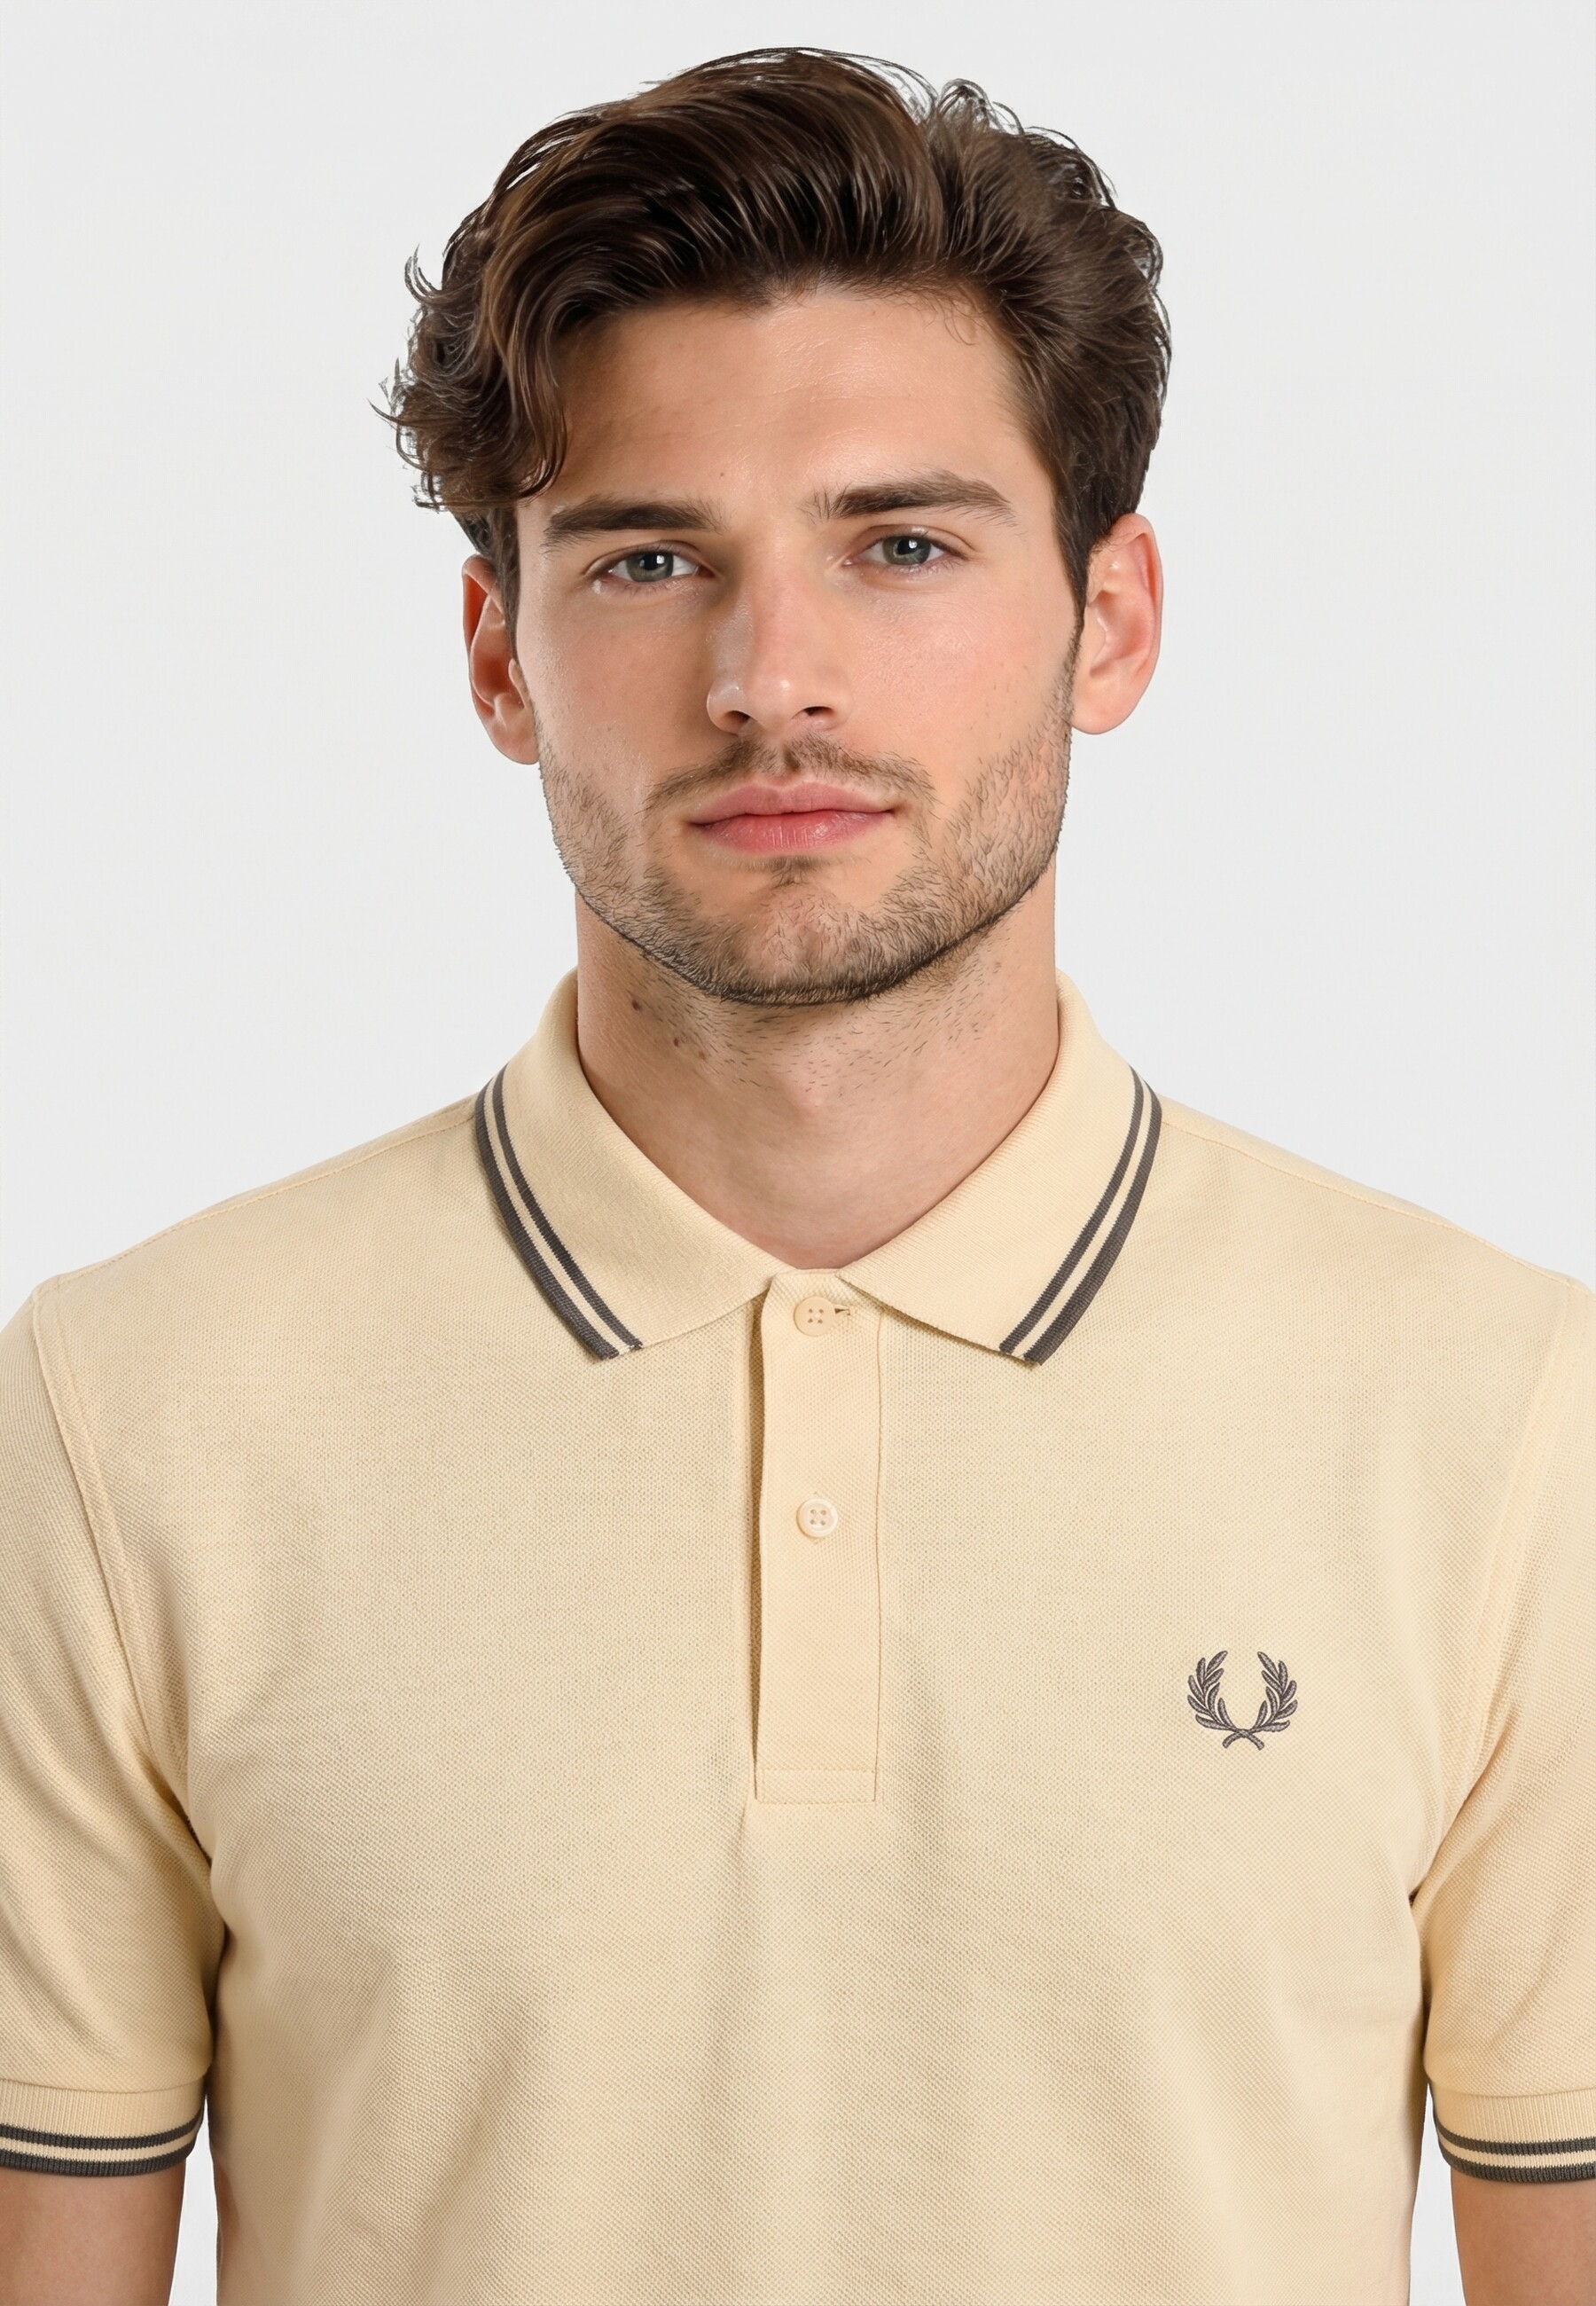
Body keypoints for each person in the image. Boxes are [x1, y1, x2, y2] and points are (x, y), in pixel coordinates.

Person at [1, 45, 1590, 2306]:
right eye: (651, 558)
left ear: (1112, 619)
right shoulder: (127, 1414)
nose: (773, 679)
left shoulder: (1505, 1421)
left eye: (902, 545)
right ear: (500, 655)